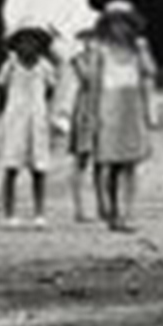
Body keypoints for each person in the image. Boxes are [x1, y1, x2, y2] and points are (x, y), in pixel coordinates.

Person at [84, 0, 158, 231]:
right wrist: (92, 114)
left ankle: (128, 211)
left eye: (124, 23)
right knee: (108, 165)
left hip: (131, 107)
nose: (120, 28)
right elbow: (94, 84)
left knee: (130, 165)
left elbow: (150, 73)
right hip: (109, 107)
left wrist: (143, 49)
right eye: (115, 23)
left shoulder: (138, 49)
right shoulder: (101, 50)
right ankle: (109, 209)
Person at [0, 26, 58, 227]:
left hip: (37, 120)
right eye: (23, 41)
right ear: (15, 45)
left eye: (33, 41)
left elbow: (50, 90)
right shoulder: (11, 66)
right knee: (11, 167)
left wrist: (42, 111)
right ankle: (9, 213)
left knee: (38, 168)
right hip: (15, 119)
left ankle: (39, 212)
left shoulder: (44, 67)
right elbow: (1, 89)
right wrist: (7, 113)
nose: (28, 46)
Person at [55, 21, 101, 222]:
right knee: (81, 161)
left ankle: (103, 206)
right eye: (88, 37)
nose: (92, 41)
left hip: (104, 109)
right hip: (86, 110)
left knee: (103, 162)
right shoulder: (79, 59)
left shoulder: (105, 58)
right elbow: (88, 79)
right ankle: (80, 209)